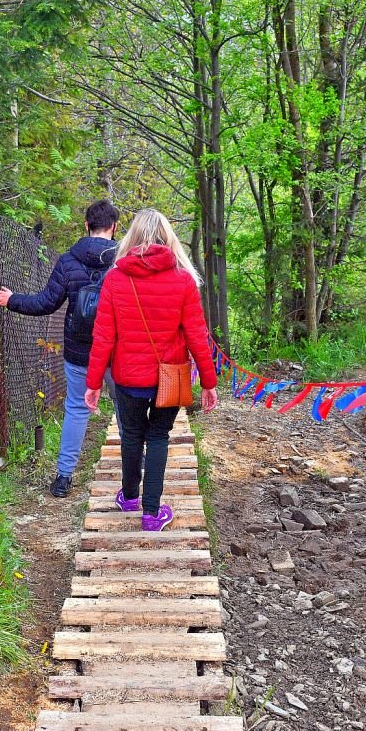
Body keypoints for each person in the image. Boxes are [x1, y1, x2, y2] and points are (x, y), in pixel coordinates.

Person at [84, 209, 219, 532]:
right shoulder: (183, 280)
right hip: (169, 377)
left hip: (128, 377)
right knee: (158, 437)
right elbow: (196, 335)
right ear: (167, 238)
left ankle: (130, 497)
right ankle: (152, 514)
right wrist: (208, 382)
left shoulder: (115, 278)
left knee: (131, 435)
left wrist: (93, 382)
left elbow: (104, 337)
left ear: (131, 236)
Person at [0, 200, 121, 497]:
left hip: (79, 350)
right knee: (125, 407)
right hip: (117, 351)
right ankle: (134, 470)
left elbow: (46, 303)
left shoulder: (68, 261)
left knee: (77, 409)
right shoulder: (124, 261)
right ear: (114, 227)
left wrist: (12, 300)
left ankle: (63, 477)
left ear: (86, 225)